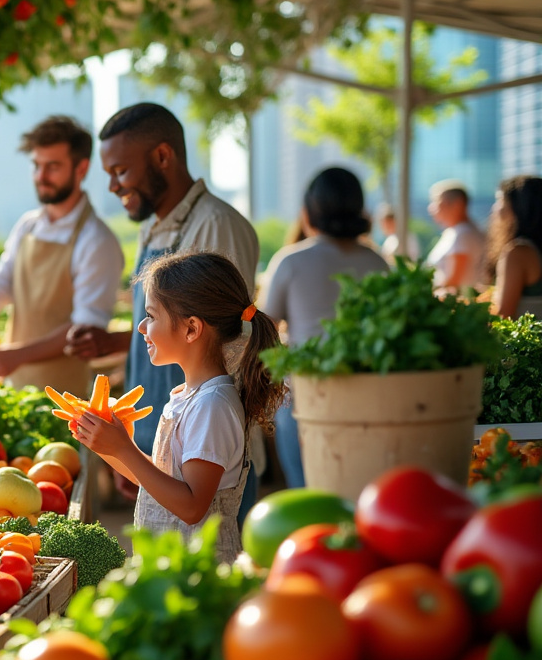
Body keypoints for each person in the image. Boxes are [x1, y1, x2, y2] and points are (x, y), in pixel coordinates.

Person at [68, 103, 260, 522]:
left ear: (162, 157)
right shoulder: (153, 227)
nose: (114, 187)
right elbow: (180, 327)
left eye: (120, 171)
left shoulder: (217, 225)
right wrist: (131, 450)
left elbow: (223, 329)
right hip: (167, 453)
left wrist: (132, 454)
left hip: (205, 458)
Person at [73, 252, 285, 563]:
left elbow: (191, 506)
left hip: (200, 576)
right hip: (171, 570)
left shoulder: (212, 406)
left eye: (152, 316)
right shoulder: (188, 395)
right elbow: (160, 485)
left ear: (191, 329)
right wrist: (107, 445)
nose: (142, 328)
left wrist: (123, 449)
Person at [0, 115, 124, 396]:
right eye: (37, 166)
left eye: (52, 167)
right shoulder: (27, 226)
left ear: (82, 168)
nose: (41, 177)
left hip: (66, 397)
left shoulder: (98, 240)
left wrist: (15, 356)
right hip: (16, 389)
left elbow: (86, 330)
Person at [262, 168, 389, 488]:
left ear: (308, 212)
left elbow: (262, 330)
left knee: (308, 497)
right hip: (368, 396)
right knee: (359, 492)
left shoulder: (290, 261)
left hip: (305, 398)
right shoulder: (377, 262)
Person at [489, 175, 542, 319]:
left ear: (518, 207)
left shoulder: (518, 251)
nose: (495, 208)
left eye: (500, 201)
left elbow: (505, 313)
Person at [426, 179, 487, 296]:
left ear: (458, 204)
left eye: (438, 202)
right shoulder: (456, 232)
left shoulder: (463, 234)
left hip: (456, 304)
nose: (431, 208)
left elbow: (454, 280)